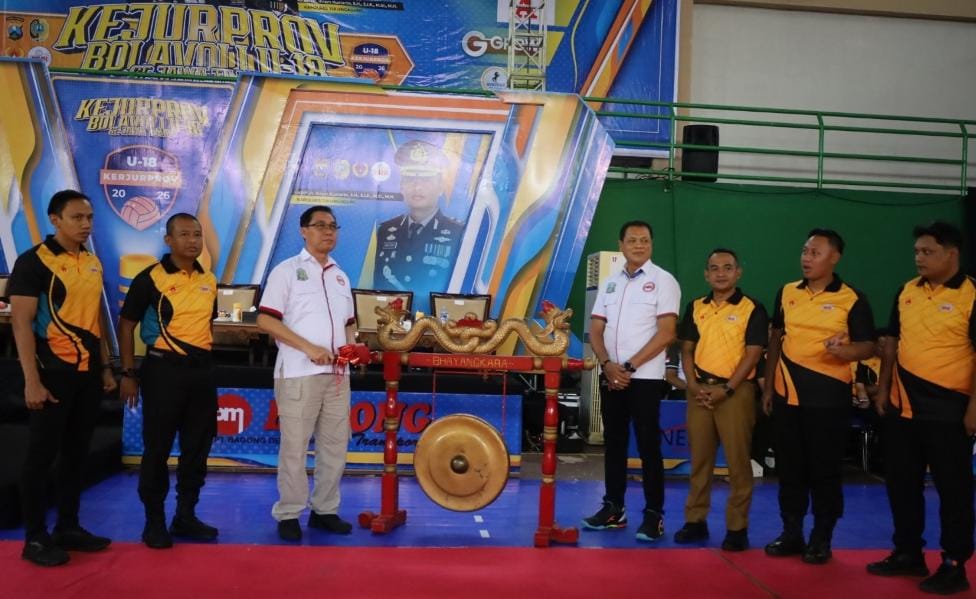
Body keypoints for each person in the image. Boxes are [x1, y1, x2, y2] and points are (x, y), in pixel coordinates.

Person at [7, 190, 117, 566]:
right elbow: (20, 324)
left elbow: (96, 319)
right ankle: (35, 538)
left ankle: (68, 527)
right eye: (77, 218)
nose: (86, 224)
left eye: (89, 218)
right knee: (41, 457)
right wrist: (31, 381)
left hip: (87, 376)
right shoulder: (33, 262)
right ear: (55, 220)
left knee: (76, 454)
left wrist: (105, 367)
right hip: (51, 373)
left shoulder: (91, 262)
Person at [867, 222, 975, 595]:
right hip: (902, 406)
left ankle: (955, 564)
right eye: (916, 251)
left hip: (949, 408)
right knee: (901, 484)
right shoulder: (906, 291)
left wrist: (974, 409)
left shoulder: (971, 294)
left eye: (927, 252)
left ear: (952, 254)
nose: (919, 258)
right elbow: (891, 344)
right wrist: (883, 389)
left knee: (953, 490)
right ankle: (908, 552)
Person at [762, 228, 875, 564]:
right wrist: (768, 386)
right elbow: (776, 339)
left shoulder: (853, 298)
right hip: (786, 396)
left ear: (834, 257)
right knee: (790, 469)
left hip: (828, 400)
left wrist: (846, 351)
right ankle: (791, 532)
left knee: (824, 470)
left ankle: (822, 536)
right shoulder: (786, 292)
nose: (806, 258)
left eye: (815, 252)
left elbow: (867, 346)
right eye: (805, 251)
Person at [117, 213, 219, 549]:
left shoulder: (209, 280)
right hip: (163, 372)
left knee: (197, 449)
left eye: (197, 234)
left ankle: (185, 516)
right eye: (184, 234)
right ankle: (154, 521)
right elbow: (126, 325)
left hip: (201, 374)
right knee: (157, 449)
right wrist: (128, 373)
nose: (193, 241)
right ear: (169, 240)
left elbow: (206, 324)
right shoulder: (151, 278)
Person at [257, 205, 356, 541]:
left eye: (333, 226)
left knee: (335, 446)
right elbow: (265, 320)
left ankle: (325, 510)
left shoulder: (341, 276)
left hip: (338, 376)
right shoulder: (286, 271)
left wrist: (352, 348)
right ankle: (289, 513)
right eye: (320, 225)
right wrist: (308, 348)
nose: (328, 231)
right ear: (303, 231)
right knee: (295, 448)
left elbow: (349, 324)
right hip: (298, 373)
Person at [583, 220, 680, 542]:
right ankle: (613, 508)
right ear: (621, 245)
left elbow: (667, 333)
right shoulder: (610, 283)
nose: (639, 245)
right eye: (633, 240)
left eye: (645, 240)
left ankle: (654, 515)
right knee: (614, 444)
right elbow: (596, 330)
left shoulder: (664, 281)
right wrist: (607, 365)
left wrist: (627, 367)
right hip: (611, 376)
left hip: (645, 379)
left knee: (649, 447)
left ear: (651, 244)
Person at [674, 248, 768, 551]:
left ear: (738, 272)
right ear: (706, 274)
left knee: (738, 462)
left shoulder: (752, 308)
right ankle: (695, 521)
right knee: (699, 460)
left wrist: (727, 389)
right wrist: (691, 384)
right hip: (700, 392)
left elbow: (753, 354)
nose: (721, 273)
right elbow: (686, 349)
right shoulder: (695, 306)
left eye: (727, 268)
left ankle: (737, 528)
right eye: (714, 268)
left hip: (735, 393)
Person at [374, 140, 464, 306]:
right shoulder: (385, 230)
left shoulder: (458, 233)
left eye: (426, 180)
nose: (417, 187)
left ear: (440, 188)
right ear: (402, 187)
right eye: (410, 180)